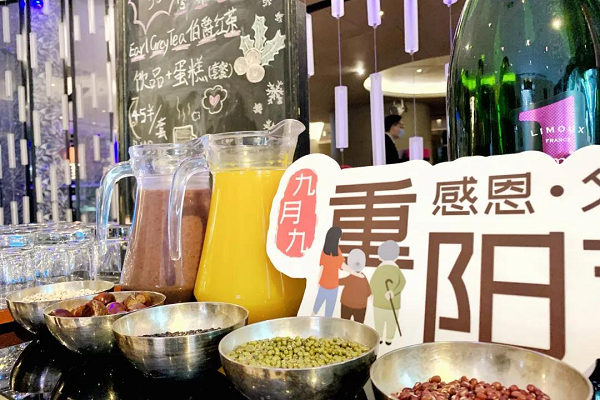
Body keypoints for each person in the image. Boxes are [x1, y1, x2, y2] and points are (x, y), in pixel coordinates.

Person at [312, 227, 357, 317]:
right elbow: (342, 266)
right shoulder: (336, 251)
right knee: (324, 311)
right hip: (331, 287)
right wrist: (355, 273)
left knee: (317, 310)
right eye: (339, 238)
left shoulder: (326, 251)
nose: (340, 239)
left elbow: (322, 268)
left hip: (327, 285)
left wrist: (319, 282)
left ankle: (316, 322)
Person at [369, 240, 406, 345]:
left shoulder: (379, 269)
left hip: (379, 303)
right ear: (396, 257)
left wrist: (373, 294)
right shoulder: (396, 269)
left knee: (379, 321)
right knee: (392, 322)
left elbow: (372, 283)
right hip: (394, 304)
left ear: (380, 256)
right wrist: (394, 292)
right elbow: (402, 282)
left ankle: (379, 337)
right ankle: (389, 339)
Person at [339, 249, 371, 323]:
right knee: (359, 325)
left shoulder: (349, 278)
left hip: (346, 304)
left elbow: (339, 281)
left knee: (344, 324)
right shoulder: (364, 278)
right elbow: (368, 293)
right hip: (360, 306)